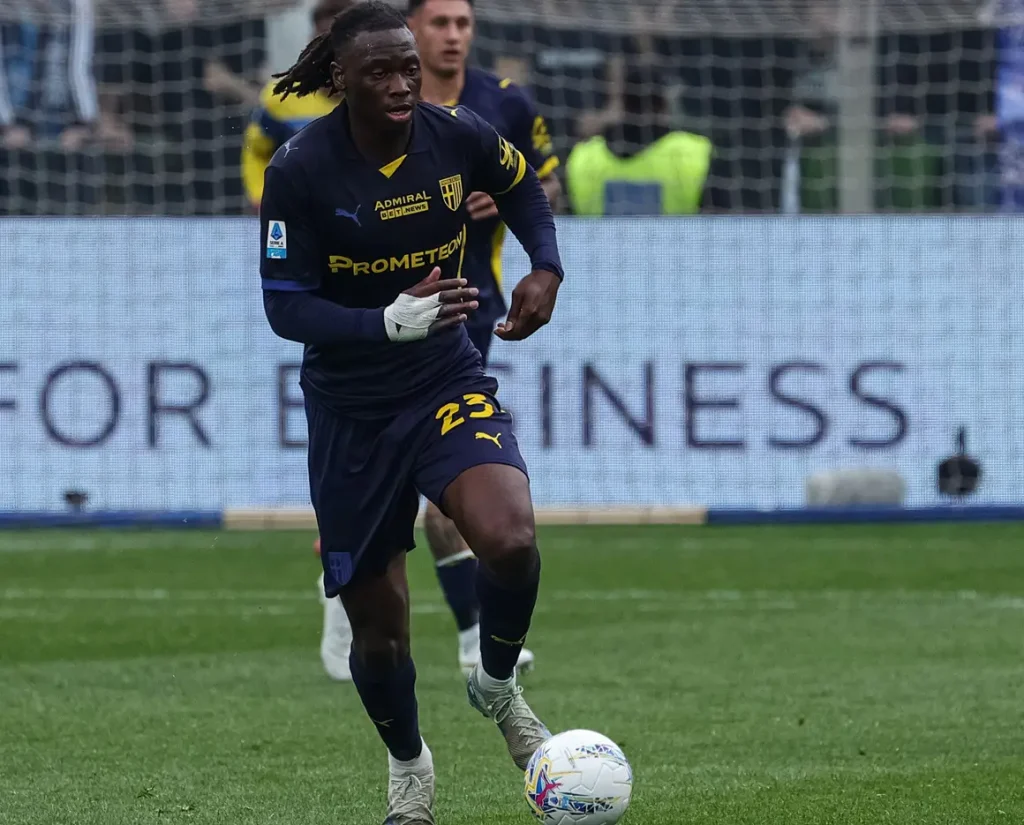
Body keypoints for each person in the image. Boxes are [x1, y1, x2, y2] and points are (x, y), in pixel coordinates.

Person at [260, 3, 562, 821]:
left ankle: (496, 684)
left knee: (511, 536)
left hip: (442, 377)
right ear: (341, 79)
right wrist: (382, 322)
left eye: (408, 67)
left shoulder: (456, 133)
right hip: (351, 408)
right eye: (381, 72)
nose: (402, 84)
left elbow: (521, 184)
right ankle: (409, 763)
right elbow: (285, 306)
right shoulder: (299, 169)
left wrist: (546, 266)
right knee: (381, 632)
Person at [313, 0, 561, 684]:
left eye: (464, 23)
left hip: (465, 309)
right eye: (440, 23)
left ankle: (475, 640)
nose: (454, 36)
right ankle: (351, 590)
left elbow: (543, 183)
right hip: (372, 329)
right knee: (377, 499)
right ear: (411, 31)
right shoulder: (354, 124)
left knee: (451, 490)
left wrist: (531, 241)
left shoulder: (500, 104)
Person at [241, 0, 355, 210]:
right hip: (297, 216)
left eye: (341, 45)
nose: (332, 54)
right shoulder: (281, 97)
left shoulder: (374, 98)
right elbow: (256, 151)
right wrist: (260, 196)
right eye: (324, 44)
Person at [566, 64, 714, 215]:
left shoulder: (584, 157)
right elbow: (719, 217)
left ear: (622, 104)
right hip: (677, 232)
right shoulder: (692, 152)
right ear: (664, 106)